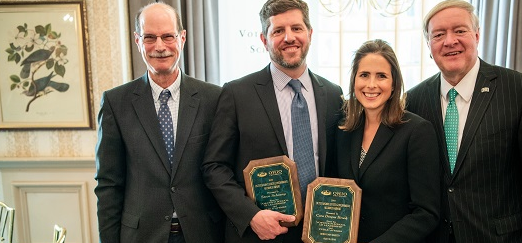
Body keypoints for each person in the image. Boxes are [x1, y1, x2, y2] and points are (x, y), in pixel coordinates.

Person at [406, 0, 522, 242]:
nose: (450, 41)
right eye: (439, 34)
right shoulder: (414, 100)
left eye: (459, 30)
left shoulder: (520, 92)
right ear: (429, 45)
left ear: (477, 35)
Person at [201, 0, 343, 242]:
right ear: (264, 39)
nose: (289, 37)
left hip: (320, 233)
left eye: (297, 28)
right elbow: (214, 167)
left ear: (309, 33)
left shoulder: (332, 94)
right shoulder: (237, 94)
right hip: (261, 234)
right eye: (278, 31)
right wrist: (251, 216)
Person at [94, 2, 224, 242]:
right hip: (141, 235)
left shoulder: (214, 99)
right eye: (150, 37)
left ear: (182, 38)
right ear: (137, 40)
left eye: (168, 36)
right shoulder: (115, 103)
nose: (160, 47)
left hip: (203, 233)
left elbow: (224, 173)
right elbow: (109, 185)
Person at [336, 39, 440, 243]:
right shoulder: (344, 130)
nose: (371, 85)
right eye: (364, 75)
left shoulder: (416, 131)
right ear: (354, 81)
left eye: (381, 76)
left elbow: (426, 213)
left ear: (394, 85)